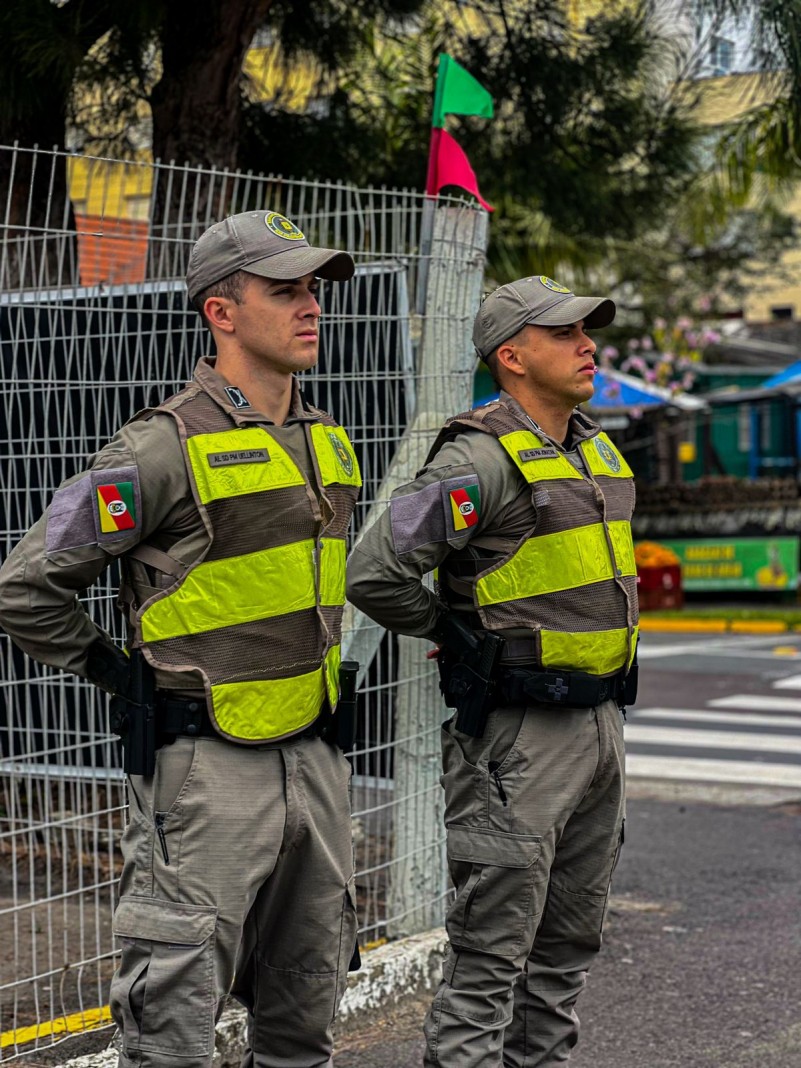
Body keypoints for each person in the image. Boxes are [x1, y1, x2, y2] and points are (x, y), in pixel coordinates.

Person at [0, 210, 363, 1068]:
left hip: (314, 763)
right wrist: (114, 671)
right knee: (173, 1032)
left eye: (313, 289)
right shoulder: (159, 447)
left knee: (304, 1022)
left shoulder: (323, 439)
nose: (310, 306)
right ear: (221, 312)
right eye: (285, 291)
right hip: (204, 777)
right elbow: (25, 586)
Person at [346, 275, 638, 1067]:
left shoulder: (590, 443)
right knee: (490, 962)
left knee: (566, 954)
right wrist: (456, 634)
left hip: (599, 728)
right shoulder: (476, 460)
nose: (587, 345)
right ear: (511, 356)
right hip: (515, 745)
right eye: (565, 333)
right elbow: (373, 571)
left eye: (588, 330)